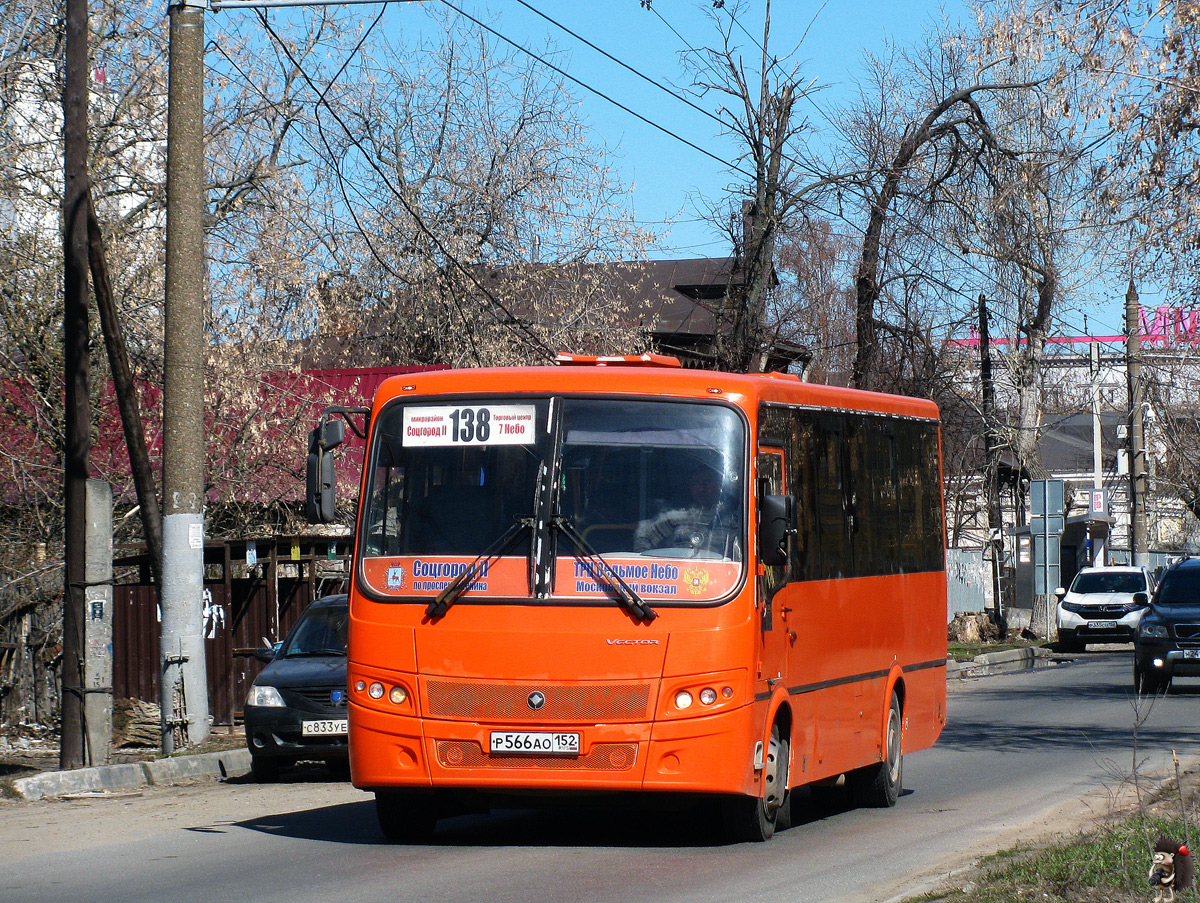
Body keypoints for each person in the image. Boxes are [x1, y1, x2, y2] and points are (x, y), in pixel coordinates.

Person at [634, 465, 736, 557]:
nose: (701, 488)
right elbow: (643, 536)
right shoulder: (677, 517)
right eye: (696, 483)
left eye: (707, 482)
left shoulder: (731, 521)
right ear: (690, 488)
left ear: (719, 486)